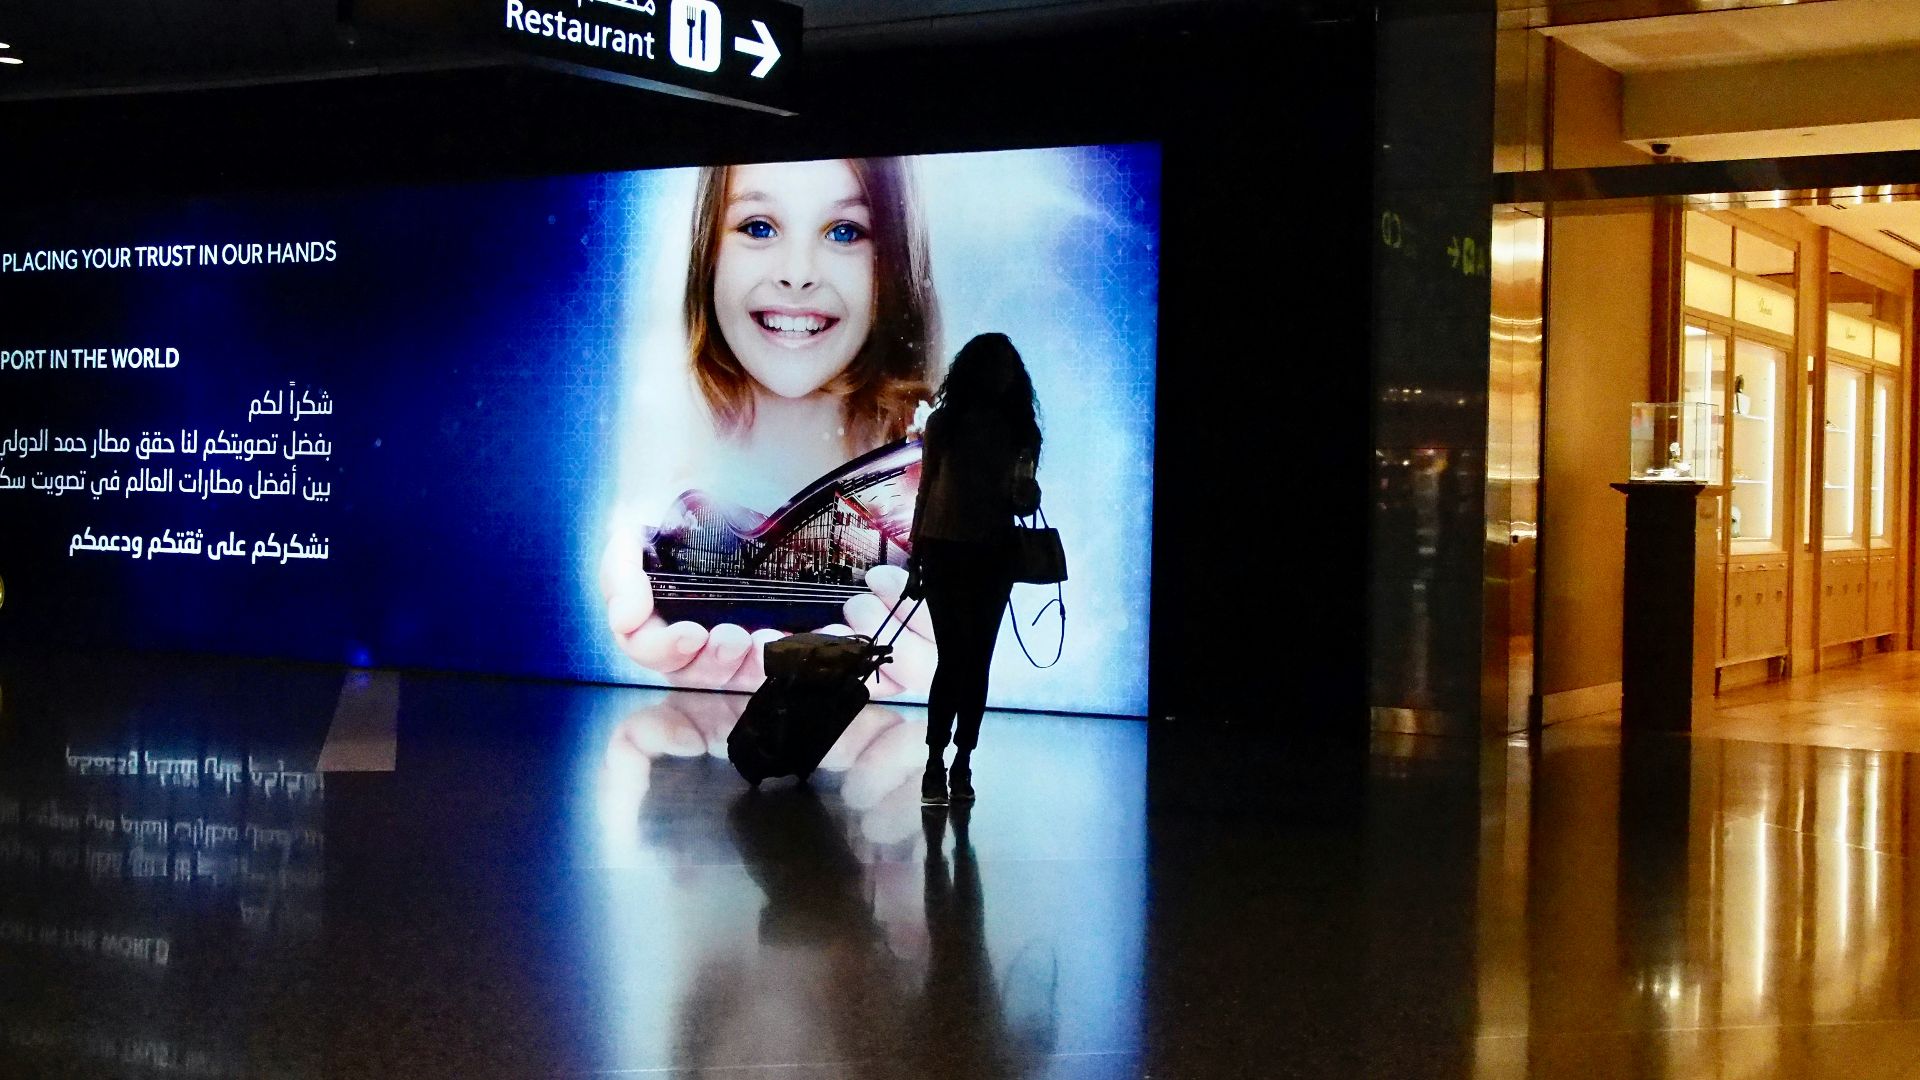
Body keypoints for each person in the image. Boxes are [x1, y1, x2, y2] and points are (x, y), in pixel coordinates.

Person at [601, 156, 942, 694]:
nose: (797, 273)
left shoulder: (939, 483)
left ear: (894, 263)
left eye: (845, 231)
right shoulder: (652, 471)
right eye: (758, 227)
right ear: (708, 253)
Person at [907, 333, 1042, 805]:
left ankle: (950, 761)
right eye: (997, 366)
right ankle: (945, 762)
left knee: (967, 659)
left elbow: (930, 492)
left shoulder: (1006, 430)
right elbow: (926, 490)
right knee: (962, 659)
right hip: (959, 550)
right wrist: (916, 556)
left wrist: (1027, 494)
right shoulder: (954, 424)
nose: (1002, 375)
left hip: (972, 550)